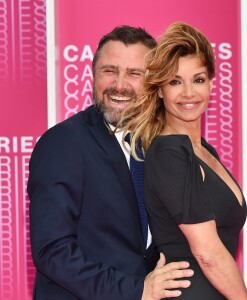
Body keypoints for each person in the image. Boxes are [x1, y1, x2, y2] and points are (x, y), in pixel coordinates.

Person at [28, 25, 194, 300]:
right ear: (93, 75)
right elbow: (52, 250)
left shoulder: (158, 144)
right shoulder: (62, 143)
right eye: (110, 71)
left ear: (152, 83)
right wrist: (136, 290)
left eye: (134, 74)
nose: (120, 85)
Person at [120, 22, 247, 299]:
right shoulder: (169, 153)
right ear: (159, 90)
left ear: (212, 83)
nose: (189, 93)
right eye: (175, 82)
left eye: (198, 79)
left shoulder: (202, 150)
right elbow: (208, 254)